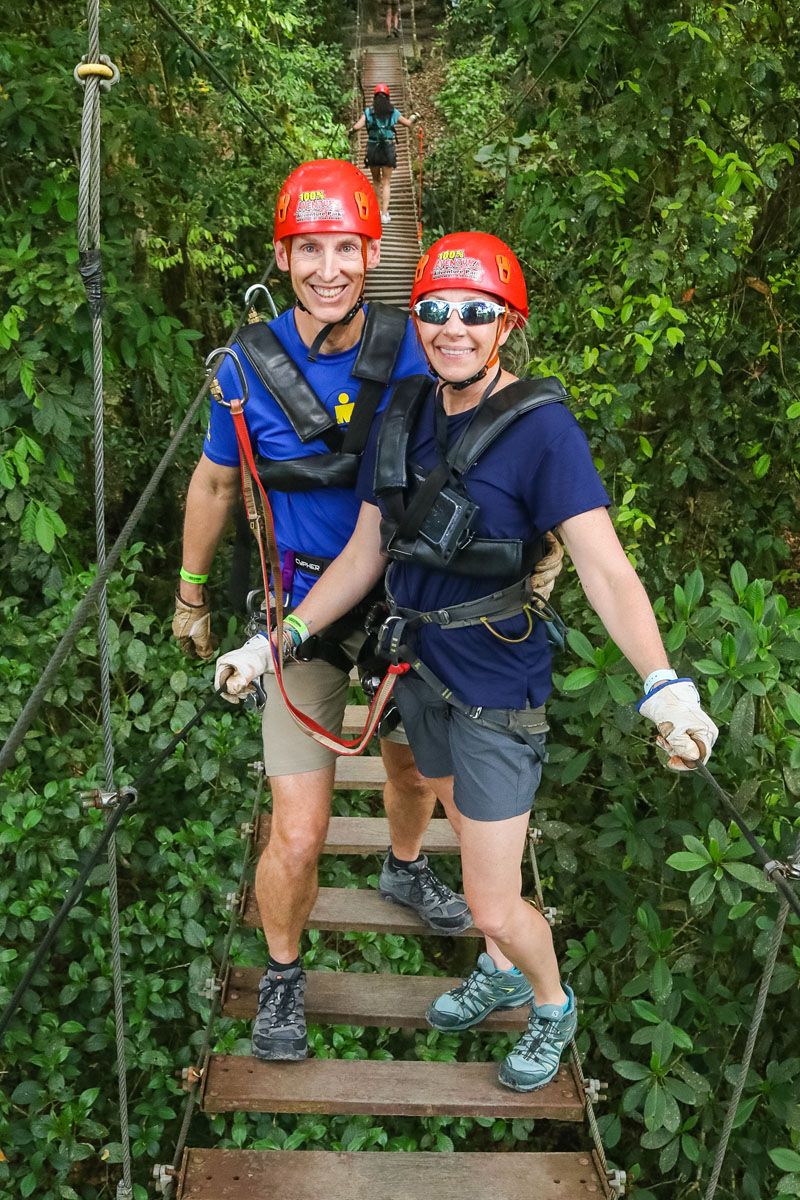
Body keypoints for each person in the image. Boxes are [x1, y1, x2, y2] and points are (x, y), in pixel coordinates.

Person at [216, 230, 719, 1091]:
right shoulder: (409, 411)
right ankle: (497, 965)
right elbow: (368, 551)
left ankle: (551, 1004)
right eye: (436, 310)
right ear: (416, 319)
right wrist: (280, 639)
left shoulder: (543, 430)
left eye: (476, 312)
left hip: (494, 687)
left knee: (492, 897)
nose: (454, 326)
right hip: (421, 676)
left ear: (507, 325)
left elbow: (603, 565)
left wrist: (662, 683)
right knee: (474, 843)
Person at [179, 161, 474, 1064]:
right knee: (299, 831)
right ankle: (281, 974)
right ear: (284, 254)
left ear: (373, 254)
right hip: (298, 611)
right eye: (310, 248)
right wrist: (192, 595)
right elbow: (218, 480)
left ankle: (404, 862)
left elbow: (483, 422)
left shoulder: (422, 349)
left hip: (406, 600)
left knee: (411, 770)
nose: (329, 268)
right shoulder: (244, 365)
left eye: (347, 247)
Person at [349, 85, 418, 224]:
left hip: (373, 148)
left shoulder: (369, 112)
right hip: (387, 148)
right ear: (388, 98)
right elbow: (408, 123)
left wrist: (349, 131)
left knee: (376, 181)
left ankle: (377, 211)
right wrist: (414, 117)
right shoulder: (393, 112)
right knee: (386, 182)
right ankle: (385, 214)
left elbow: (357, 127)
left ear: (374, 98)